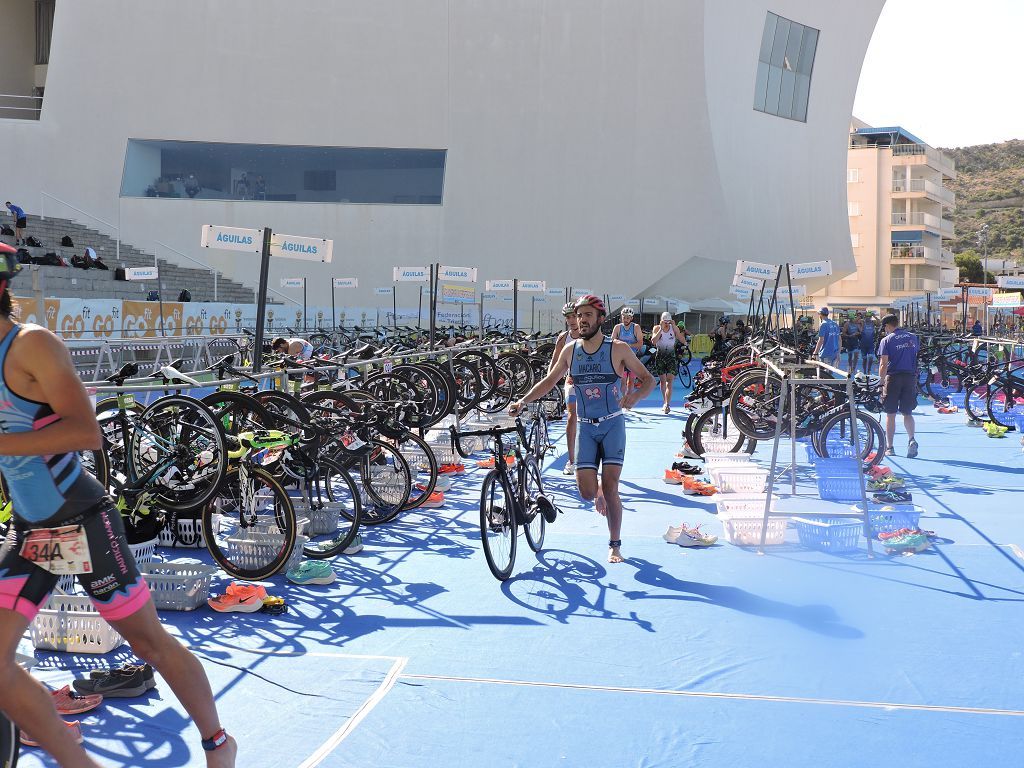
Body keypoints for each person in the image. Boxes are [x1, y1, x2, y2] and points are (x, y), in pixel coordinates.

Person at [0, 247, 237, 768]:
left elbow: (86, 431)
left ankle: (219, 743)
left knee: (150, 644)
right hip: (32, 531)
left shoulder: (31, 345)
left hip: (80, 523)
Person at [510, 295, 655, 564]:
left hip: (612, 424)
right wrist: (522, 400)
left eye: (587, 315)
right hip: (586, 429)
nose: (582, 320)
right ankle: (597, 491)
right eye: (579, 316)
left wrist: (634, 397)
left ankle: (614, 544)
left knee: (612, 488)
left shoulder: (619, 348)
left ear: (600, 318)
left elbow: (649, 379)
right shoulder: (570, 350)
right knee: (588, 492)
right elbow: (549, 381)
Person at [877, 313, 920, 458]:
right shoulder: (913, 337)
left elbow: (883, 364)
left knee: (891, 414)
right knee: (907, 412)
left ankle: (890, 447)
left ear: (888, 326)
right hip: (910, 377)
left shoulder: (886, 340)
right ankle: (911, 439)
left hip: (893, 378)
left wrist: (881, 382)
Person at [549, 302, 582, 475]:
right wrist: (548, 384)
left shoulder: (590, 335)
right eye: (568, 317)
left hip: (592, 386)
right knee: (571, 416)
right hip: (571, 383)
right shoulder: (563, 338)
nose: (571, 320)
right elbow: (554, 365)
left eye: (573, 316)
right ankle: (572, 460)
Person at [650, 312, 687, 414]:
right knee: (663, 381)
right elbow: (653, 341)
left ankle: (667, 404)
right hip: (660, 356)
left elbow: (683, 340)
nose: (666, 324)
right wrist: (661, 329)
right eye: (665, 321)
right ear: (661, 320)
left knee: (669, 381)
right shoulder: (657, 328)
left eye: (668, 321)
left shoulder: (673, 328)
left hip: (671, 357)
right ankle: (665, 401)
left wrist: (675, 328)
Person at [611, 308, 644, 403]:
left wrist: (628, 345)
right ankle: (622, 400)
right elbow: (612, 341)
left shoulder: (636, 327)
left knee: (631, 382)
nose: (625, 320)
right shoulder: (617, 327)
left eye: (628, 318)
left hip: (633, 358)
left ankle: (628, 400)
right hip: (621, 359)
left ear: (631, 318)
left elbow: (640, 343)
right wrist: (620, 345)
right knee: (623, 381)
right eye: (624, 317)